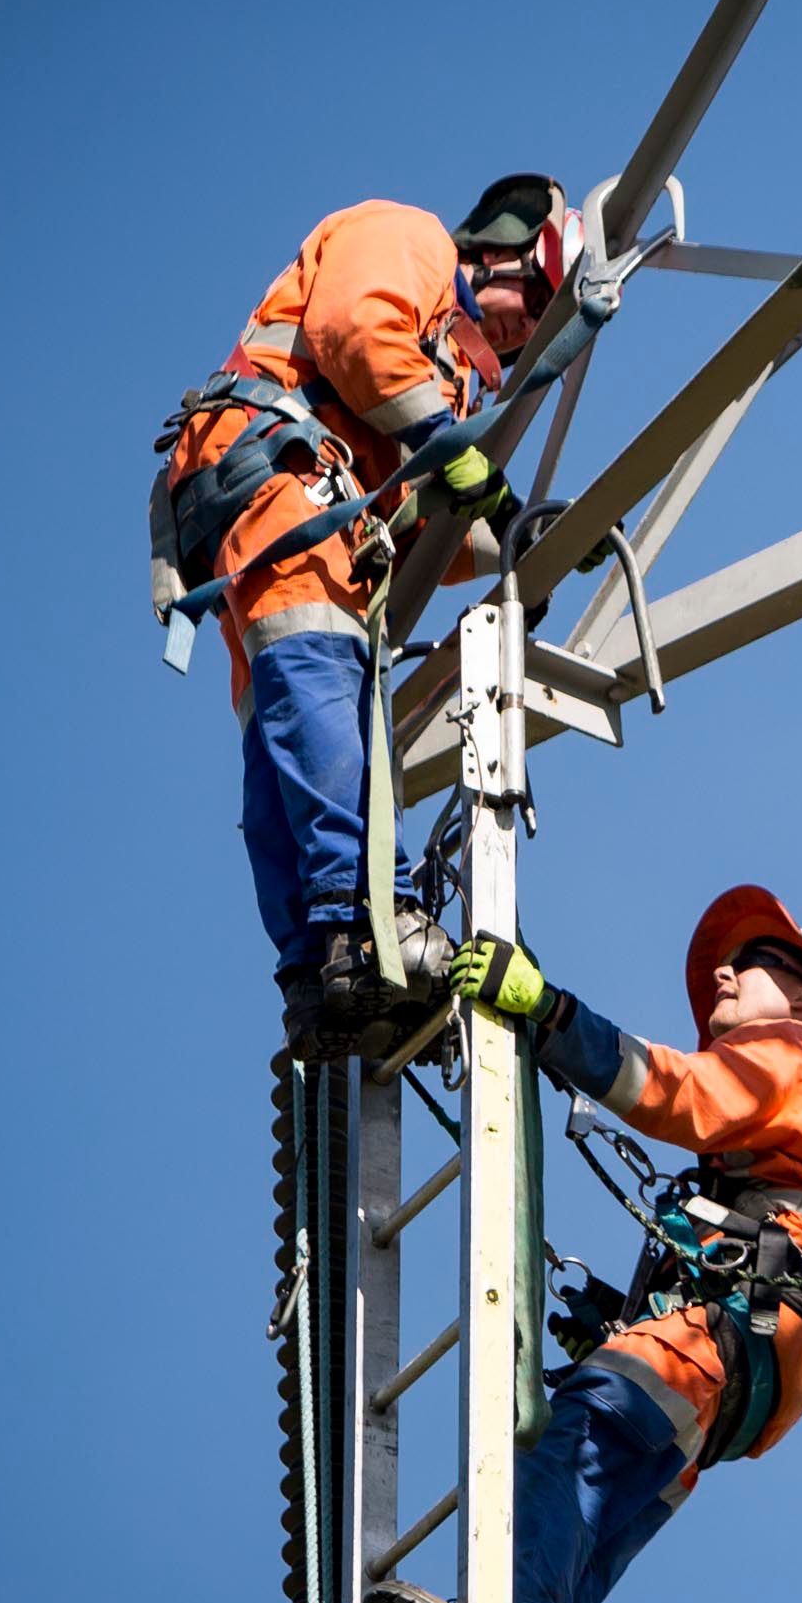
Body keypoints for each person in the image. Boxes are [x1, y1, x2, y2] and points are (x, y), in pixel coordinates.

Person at [320, 886, 802, 1603]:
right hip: (754, 1365)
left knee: (579, 1436)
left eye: (751, 960)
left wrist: (553, 1015)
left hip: (734, 1331)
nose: (723, 972)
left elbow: (676, 1092)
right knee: (591, 1510)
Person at [151, 174, 589, 1053]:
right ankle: (364, 915)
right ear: (504, 251)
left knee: (284, 732)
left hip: (292, 505)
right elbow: (357, 331)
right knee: (325, 688)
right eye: (538, 300)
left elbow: (417, 522)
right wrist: (445, 445)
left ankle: (317, 974)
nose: (528, 330)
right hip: (284, 474)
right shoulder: (412, 239)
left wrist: (513, 547)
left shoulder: (450, 380)